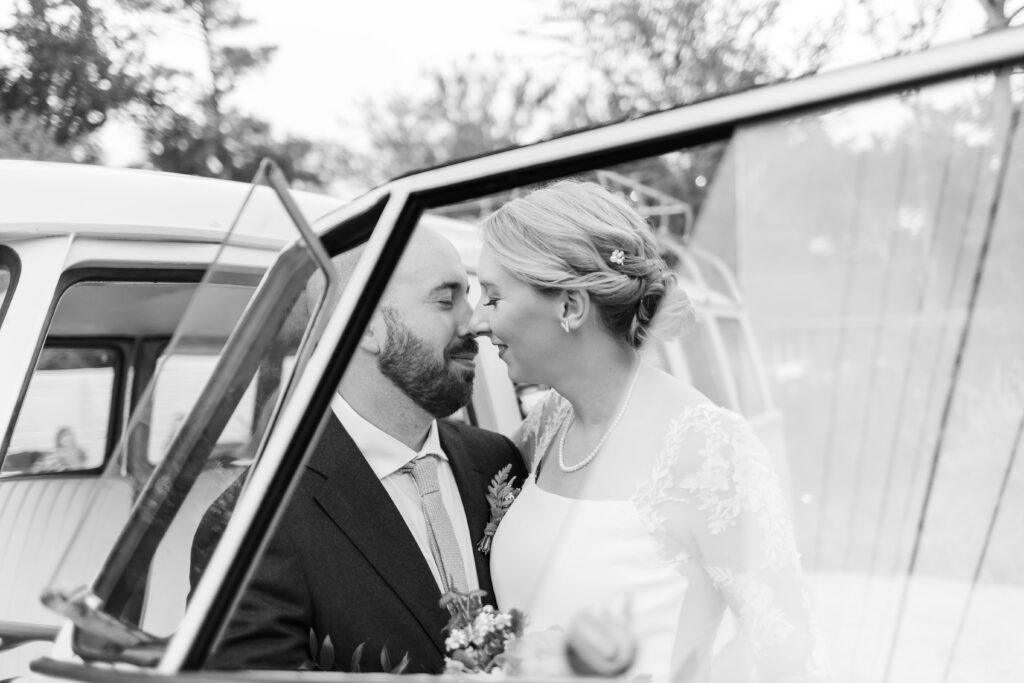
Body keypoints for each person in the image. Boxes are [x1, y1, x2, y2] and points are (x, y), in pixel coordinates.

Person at [470, 180, 827, 682]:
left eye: (491, 297)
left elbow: (785, 648)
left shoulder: (708, 449)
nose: (474, 321)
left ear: (570, 306)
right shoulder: (547, 425)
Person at [195, 227, 527, 674]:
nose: (473, 323)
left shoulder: (497, 461)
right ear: (366, 327)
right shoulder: (253, 520)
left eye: (467, 297)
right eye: (446, 300)